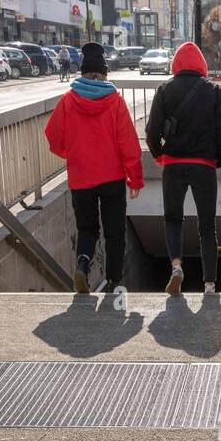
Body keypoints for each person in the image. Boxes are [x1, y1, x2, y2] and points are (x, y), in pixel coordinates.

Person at [44, 43, 144, 294]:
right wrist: (135, 179)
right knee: (114, 232)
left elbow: (53, 136)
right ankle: (113, 282)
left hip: (81, 178)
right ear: (104, 73)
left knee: (87, 229)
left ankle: (82, 265)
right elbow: (129, 144)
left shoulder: (67, 101)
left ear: (83, 72)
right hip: (112, 177)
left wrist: (73, 155)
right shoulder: (115, 102)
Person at [145, 41, 221, 295]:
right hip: (204, 167)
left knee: (173, 219)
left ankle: (176, 267)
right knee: (207, 226)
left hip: (173, 165)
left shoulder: (164, 90)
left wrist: (158, 156)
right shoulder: (215, 92)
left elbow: (151, 132)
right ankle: (209, 284)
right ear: (201, 65)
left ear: (175, 63)